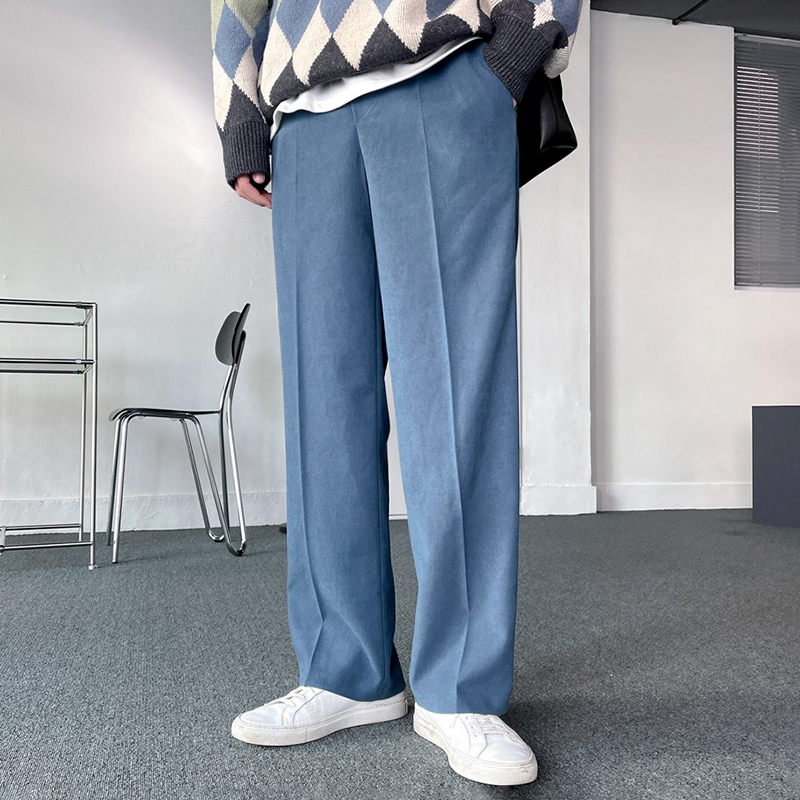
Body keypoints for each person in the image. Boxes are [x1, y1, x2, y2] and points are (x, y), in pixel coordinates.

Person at [211, 0, 582, 786]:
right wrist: (241, 114)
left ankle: (460, 688)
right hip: (304, 115)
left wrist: (515, 50)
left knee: (454, 397)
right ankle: (346, 670)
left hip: (443, 70)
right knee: (322, 404)